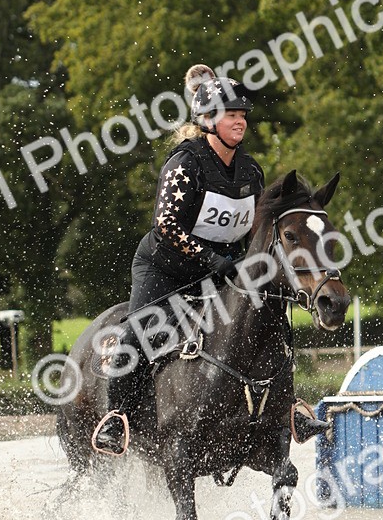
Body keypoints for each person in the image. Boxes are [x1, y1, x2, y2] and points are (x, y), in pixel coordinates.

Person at [93, 65, 265, 454]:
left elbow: (252, 228)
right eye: (231, 115)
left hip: (217, 271)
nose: (240, 122)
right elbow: (166, 225)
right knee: (139, 334)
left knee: (259, 320)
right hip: (165, 268)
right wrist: (213, 259)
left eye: (242, 115)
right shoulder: (185, 164)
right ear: (208, 121)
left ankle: (280, 410)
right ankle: (116, 418)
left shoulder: (251, 171)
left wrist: (246, 260)